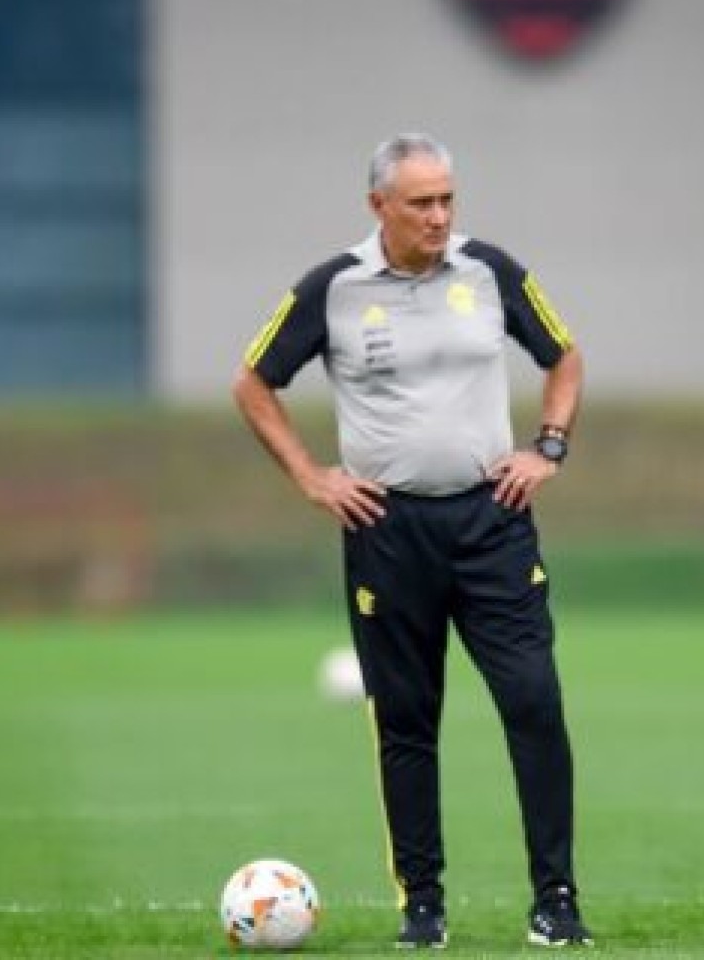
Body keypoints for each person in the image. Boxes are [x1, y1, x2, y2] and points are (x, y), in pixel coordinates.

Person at [232, 132, 592, 949]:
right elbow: (252, 381)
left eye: (447, 199)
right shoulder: (332, 289)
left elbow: (564, 356)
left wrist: (549, 447)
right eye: (421, 202)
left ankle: (556, 900)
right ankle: (422, 907)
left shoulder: (490, 271)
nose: (439, 216)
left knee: (534, 702)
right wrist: (311, 477)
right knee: (405, 720)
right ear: (378, 207)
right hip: (387, 531)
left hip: (493, 522)